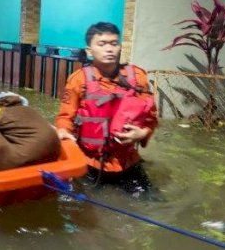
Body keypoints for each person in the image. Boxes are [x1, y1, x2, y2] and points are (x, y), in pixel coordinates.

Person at [54, 22, 157, 192]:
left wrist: (142, 133)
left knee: (152, 202)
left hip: (128, 161)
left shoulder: (138, 77)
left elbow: (151, 118)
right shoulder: (78, 80)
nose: (109, 49)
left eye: (114, 44)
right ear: (89, 51)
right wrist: (63, 132)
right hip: (90, 162)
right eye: (102, 44)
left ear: (120, 47)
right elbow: (65, 117)